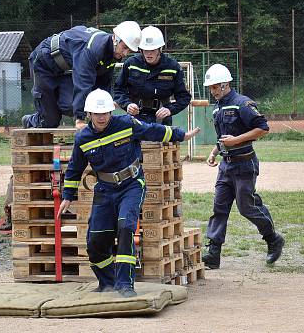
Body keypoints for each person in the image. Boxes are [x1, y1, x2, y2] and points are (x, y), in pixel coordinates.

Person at [58, 89, 200, 297]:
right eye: (97, 113)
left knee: (125, 227)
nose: (102, 117)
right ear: (89, 114)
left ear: (111, 111)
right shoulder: (83, 138)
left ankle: (125, 284)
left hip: (131, 185)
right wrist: (68, 196)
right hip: (104, 190)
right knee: (95, 240)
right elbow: (74, 169)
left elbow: (152, 130)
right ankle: (108, 281)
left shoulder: (127, 124)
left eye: (105, 112)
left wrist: (181, 135)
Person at [201, 64, 284, 269]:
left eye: (214, 88)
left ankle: (273, 239)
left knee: (247, 207)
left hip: (244, 164)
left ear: (225, 84)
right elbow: (223, 137)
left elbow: (262, 128)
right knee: (219, 208)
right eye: (210, 88)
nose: (212, 92)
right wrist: (214, 152)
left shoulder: (242, 104)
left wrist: (236, 140)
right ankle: (214, 252)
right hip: (225, 166)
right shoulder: (218, 107)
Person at [21, 21, 142, 129]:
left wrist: (106, 108)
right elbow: (83, 82)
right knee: (50, 122)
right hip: (44, 62)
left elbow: (103, 85)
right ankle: (33, 119)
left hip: (64, 69)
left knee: (70, 105)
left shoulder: (112, 54)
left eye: (129, 51)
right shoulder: (92, 49)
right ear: (116, 38)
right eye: (125, 47)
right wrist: (80, 119)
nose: (126, 53)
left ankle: (50, 107)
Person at [113, 26, 191, 125]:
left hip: (162, 120)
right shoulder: (131, 64)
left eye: (153, 50)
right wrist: (127, 105)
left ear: (160, 49)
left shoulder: (172, 67)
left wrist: (170, 110)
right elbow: (118, 90)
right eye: (145, 49)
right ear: (140, 49)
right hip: (135, 118)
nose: (149, 53)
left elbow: (184, 97)